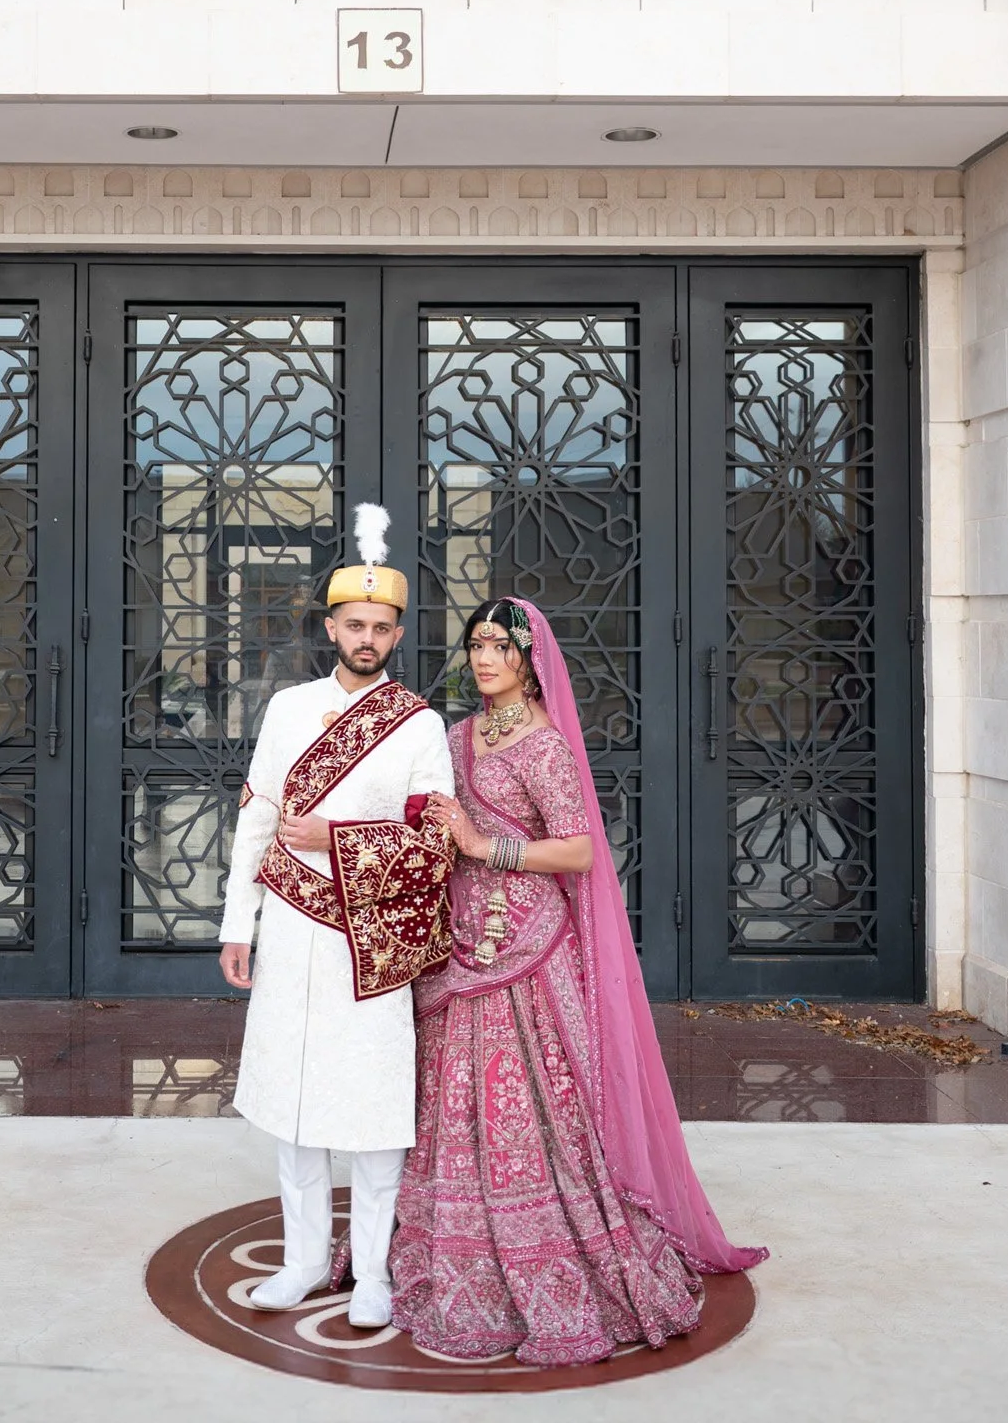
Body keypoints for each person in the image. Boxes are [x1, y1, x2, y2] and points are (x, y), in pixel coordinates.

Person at [390, 595, 768, 1368]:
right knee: (452, 1099)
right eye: (476, 644)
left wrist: (483, 846)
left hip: (527, 950)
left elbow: (578, 852)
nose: (485, 658)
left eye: (501, 646)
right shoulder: (456, 736)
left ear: (530, 660)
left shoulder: (546, 748)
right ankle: (453, 1247)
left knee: (528, 1107)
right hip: (463, 944)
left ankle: (550, 1252)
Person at [219, 506, 455, 1329]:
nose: (367, 638)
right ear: (330, 627)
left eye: (381, 628)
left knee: (375, 1107)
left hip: (374, 941)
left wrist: (337, 836)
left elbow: (435, 843)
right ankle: (304, 1262)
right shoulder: (288, 708)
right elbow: (257, 817)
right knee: (293, 1102)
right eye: (354, 624)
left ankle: (375, 1276)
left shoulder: (419, 723)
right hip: (289, 927)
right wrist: (237, 923)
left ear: (397, 635)